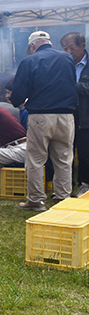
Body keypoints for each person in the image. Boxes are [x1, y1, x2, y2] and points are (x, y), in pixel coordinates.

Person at [11, 31, 77, 210]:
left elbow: (18, 92)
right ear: (49, 42)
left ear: (33, 46)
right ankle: (63, 198)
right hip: (66, 115)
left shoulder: (29, 61)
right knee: (63, 158)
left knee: (36, 159)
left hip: (41, 115)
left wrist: (16, 101)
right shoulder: (67, 58)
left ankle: (36, 200)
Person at [61, 32, 89, 197]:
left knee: (85, 153)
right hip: (67, 113)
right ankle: (66, 185)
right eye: (65, 48)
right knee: (65, 151)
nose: (69, 52)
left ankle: (84, 184)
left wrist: (74, 86)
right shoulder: (64, 64)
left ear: (83, 46)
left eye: (72, 48)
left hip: (85, 115)